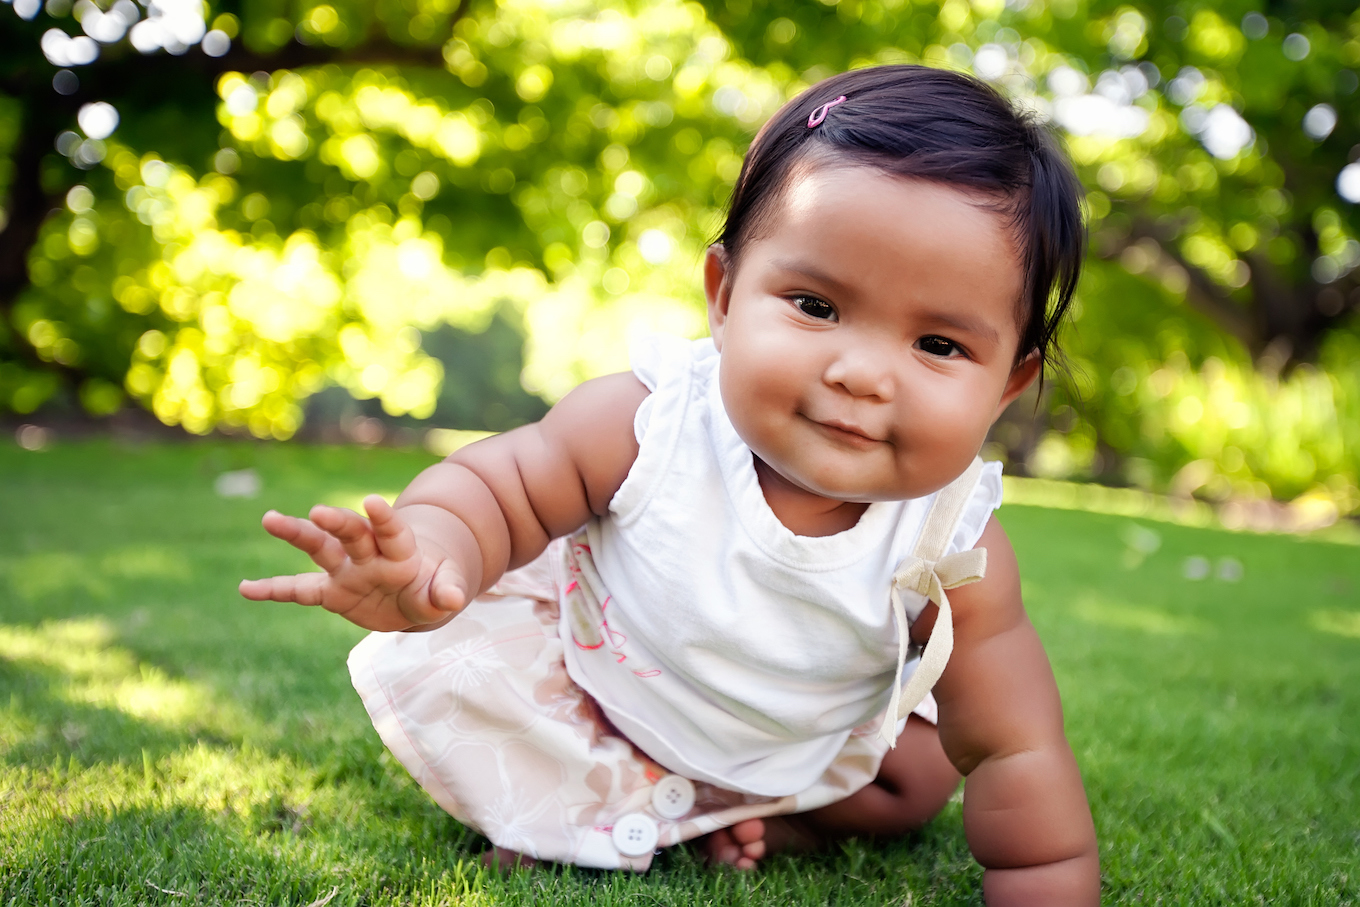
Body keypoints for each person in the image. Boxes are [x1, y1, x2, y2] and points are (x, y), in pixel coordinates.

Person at [241, 64, 1099, 904]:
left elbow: (1014, 746)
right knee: (505, 704)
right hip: (606, 687)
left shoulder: (954, 546)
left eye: (939, 346)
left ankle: (745, 813)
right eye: (816, 305)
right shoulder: (650, 422)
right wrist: (431, 553)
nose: (863, 373)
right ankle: (582, 815)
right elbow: (501, 488)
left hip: (792, 738)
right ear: (724, 296)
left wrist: (1043, 875)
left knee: (914, 779)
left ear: (1006, 386)